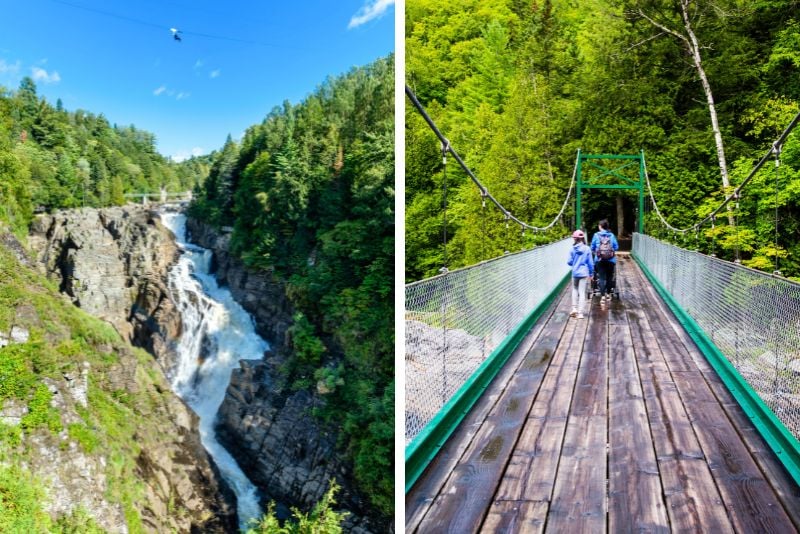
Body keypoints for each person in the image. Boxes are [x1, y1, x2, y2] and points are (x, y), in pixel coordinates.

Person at [590, 219, 619, 303]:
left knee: (601, 278)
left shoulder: (596, 235)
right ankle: (609, 295)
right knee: (610, 277)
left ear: (600, 226)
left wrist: (596, 251)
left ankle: (602, 297)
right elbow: (616, 247)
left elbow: (592, 247)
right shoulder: (612, 235)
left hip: (599, 260)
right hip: (611, 260)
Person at [567, 229, 593, 319]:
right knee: (582, 292)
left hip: (575, 272)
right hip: (584, 273)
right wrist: (591, 273)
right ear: (582, 238)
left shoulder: (572, 249)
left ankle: (574, 308)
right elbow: (590, 263)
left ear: (574, 239)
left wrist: (575, 262)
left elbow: (569, 262)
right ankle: (580, 313)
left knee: (575, 289)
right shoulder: (587, 248)